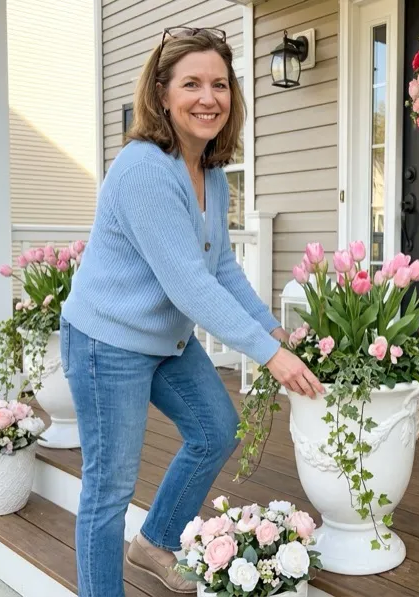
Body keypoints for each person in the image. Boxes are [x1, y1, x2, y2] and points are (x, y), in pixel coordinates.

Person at [59, 27, 324, 596]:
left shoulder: (211, 170)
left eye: (220, 85)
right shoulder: (144, 169)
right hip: (108, 343)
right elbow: (187, 285)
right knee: (108, 490)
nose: (209, 98)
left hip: (163, 341)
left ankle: (155, 541)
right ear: (161, 93)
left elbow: (221, 269)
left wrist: (270, 327)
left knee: (216, 430)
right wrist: (271, 356)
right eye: (192, 84)